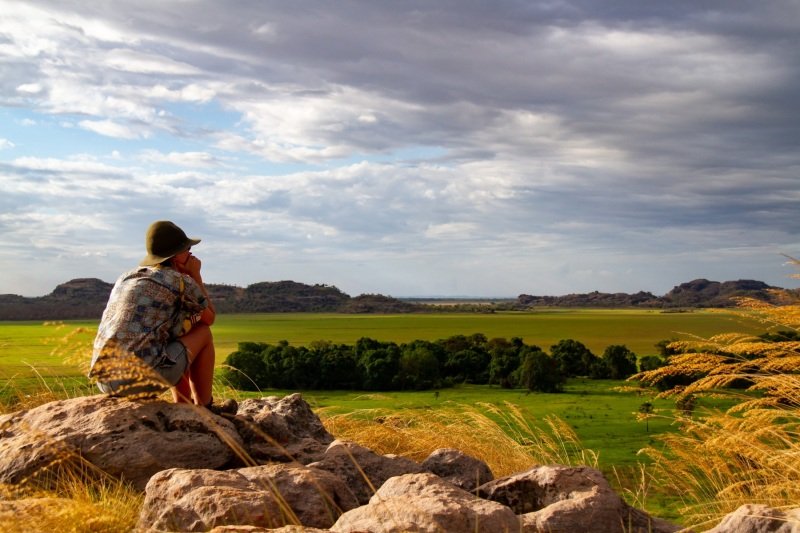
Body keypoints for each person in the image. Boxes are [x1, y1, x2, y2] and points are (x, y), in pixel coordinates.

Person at [89, 220, 233, 413]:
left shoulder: (127, 277)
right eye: (186, 248)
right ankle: (205, 407)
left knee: (175, 335)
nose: (190, 252)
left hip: (105, 380)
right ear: (174, 256)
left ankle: (184, 405)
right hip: (139, 381)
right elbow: (209, 318)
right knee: (202, 332)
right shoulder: (180, 282)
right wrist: (195, 276)